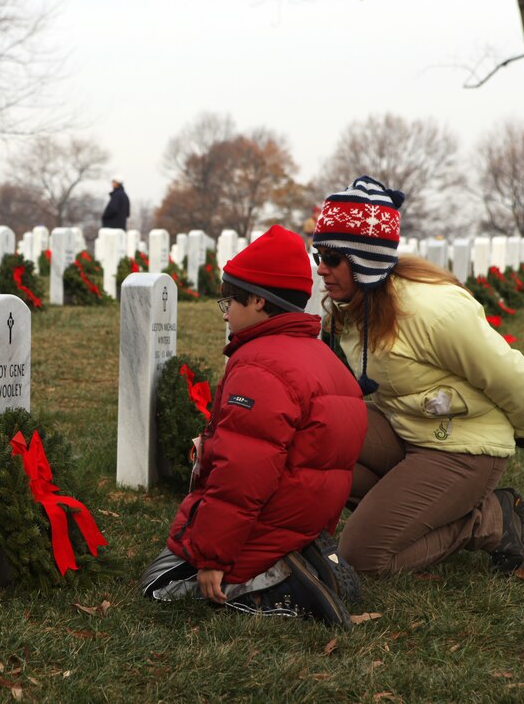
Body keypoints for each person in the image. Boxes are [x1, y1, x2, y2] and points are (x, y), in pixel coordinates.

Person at [312, 175, 524, 577]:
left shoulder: (433, 310)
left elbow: (512, 375)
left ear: (365, 259)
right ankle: (406, 513)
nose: (321, 269)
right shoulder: (354, 305)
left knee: (361, 557)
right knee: (320, 435)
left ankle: (489, 520)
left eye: (332, 258)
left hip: (462, 447)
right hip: (409, 429)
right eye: (317, 254)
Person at [140, 225, 368, 627]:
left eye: (229, 300)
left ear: (259, 302)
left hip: (268, 522)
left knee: (160, 583)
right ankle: (301, 558)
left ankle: (283, 590)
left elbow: (241, 476)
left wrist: (213, 558)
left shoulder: (260, 366)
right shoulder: (325, 358)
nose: (225, 311)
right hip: (305, 522)